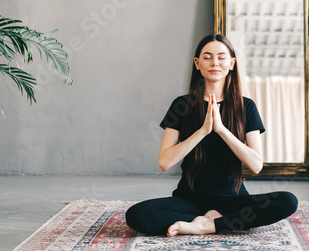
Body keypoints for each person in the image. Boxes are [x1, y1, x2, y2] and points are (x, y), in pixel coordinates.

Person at [125, 34, 297, 236]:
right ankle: (223, 223)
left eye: (222, 57)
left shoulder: (246, 106)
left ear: (232, 63)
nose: (215, 62)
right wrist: (203, 131)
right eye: (207, 57)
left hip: (232, 200)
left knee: (287, 201)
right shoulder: (181, 105)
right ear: (197, 63)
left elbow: (256, 165)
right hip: (189, 200)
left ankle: (205, 226)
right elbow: (164, 161)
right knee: (137, 215)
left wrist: (221, 129)